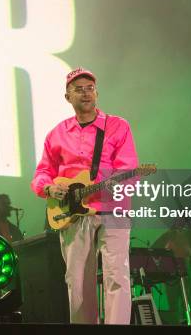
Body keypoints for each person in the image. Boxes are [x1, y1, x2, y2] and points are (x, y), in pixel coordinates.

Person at [31, 67, 139, 324]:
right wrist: (49, 188)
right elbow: (42, 173)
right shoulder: (56, 134)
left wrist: (108, 185)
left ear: (96, 93)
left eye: (89, 88)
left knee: (117, 276)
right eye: (78, 89)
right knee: (77, 281)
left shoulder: (117, 126)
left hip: (113, 210)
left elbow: (128, 171)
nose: (85, 93)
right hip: (72, 214)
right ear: (67, 97)